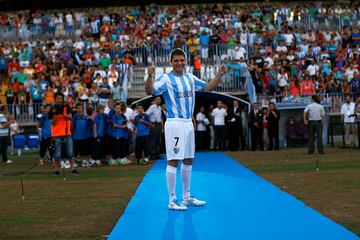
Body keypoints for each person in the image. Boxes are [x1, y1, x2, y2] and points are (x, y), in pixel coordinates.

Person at [145, 48, 227, 211]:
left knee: (189, 159)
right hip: (175, 123)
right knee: (174, 160)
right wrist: (149, 76)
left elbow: (207, 87)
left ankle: (187, 197)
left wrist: (219, 74)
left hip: (188, 123)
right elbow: (150, 91)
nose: (179, 63)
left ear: (185, 61)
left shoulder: (190, 77)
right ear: (171, 62)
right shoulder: (166, 79)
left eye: (181, 60)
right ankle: (172, 200)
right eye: (176, 60)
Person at [49, 92, 78, 175]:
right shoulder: (52, 109)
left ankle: (72, 169)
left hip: (67, 133)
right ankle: (56, 170)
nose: (59, 100)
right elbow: (53, 123)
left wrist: (64, 114)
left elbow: (70, 118)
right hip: (57, 135)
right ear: (55, 99)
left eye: (61, 98)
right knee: (57, 154)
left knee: (70, 153)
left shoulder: (66, 107)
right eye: (58, 98)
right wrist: (55, 115)